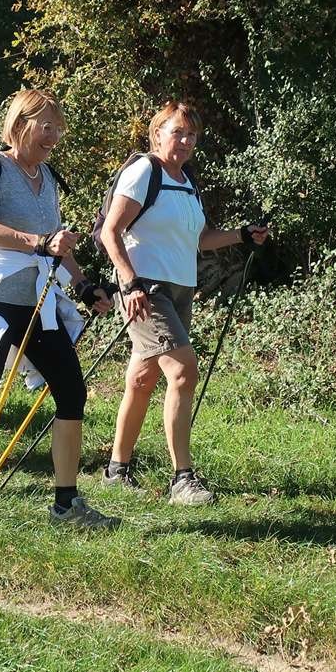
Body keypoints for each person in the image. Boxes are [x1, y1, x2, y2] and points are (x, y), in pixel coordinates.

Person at [0, 89, 119, 531]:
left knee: (72, 393)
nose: (53, 135)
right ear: (21, 124)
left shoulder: (47, 175)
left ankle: (66, 505)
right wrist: (38, 243)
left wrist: (83, 284)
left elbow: (55, 237)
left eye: (58, 127)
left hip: (40, 300)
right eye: (46, 126)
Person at [97, 100, 268, 505]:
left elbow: (202, 238)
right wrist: (130, 282)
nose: (186, 140)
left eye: (192, 135)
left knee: (142, 381)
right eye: (178, 132)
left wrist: (242, 235)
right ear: (157, 134)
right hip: (147, 290)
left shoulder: (186, 180)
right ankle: (182, 479)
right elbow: (110, 232)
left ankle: (116, 472)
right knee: (184, 370)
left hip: (179, 290)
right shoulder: (144, 171)